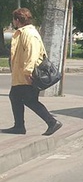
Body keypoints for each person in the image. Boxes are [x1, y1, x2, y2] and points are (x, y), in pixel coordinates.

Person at [2, 8, 62, 136]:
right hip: (20, 75)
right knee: (15, 96)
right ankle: (19, 126)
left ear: (17, 20)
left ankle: (52, 122)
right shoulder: (23, 32)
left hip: (28, 74)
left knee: (29, 100)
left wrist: (28, 72)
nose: (13, 22)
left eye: (14, 19)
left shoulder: (29, 33)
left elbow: (32, 54)